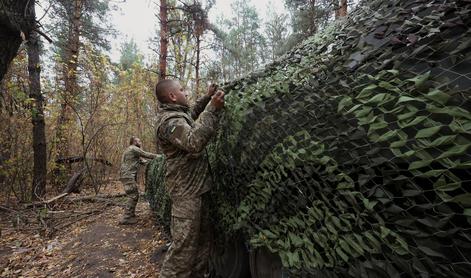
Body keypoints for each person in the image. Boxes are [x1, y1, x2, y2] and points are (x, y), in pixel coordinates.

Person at [155, 79, 225, 278]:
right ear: (173, 96)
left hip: (198, 190)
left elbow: (191, 116)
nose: (186, 92)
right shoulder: (168, 122)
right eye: (182, 89)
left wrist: (206, 98)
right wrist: (212, 109)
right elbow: (194, 141)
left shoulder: (178, 115)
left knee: (202, 248)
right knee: (182, 254)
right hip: (186, 194)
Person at [119, 136, 159, 225]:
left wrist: (151, 164)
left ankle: (131, 215)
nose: (140, 142)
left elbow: (143, 161)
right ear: (133, 142)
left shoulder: (131, 151)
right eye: (139, 141)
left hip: (126, 175)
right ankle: (126, 218)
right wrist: (160, 157)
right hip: (128, 175)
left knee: (134, 195)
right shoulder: (133, 148)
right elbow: (146, 154)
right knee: (133, 195)